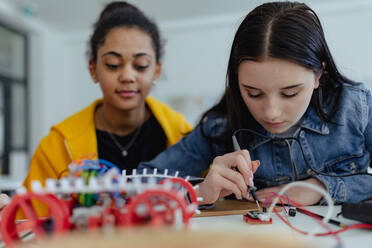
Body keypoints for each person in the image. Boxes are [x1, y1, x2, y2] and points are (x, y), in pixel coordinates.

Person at [139, 1, 372, 206]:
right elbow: (140, 182)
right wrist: (199, 192)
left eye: (290, 93)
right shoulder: (221, 125)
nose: (271, 112)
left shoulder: (355, 107)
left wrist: (320, 188)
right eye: (253, 93)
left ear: (318, 74)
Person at [22, 1, 192, 215]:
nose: (128, 76)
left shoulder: (182, 133)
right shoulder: (57, 146)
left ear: (156, 71)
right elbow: (27, 219)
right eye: (113, 64)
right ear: (93, 69)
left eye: (140, 66)